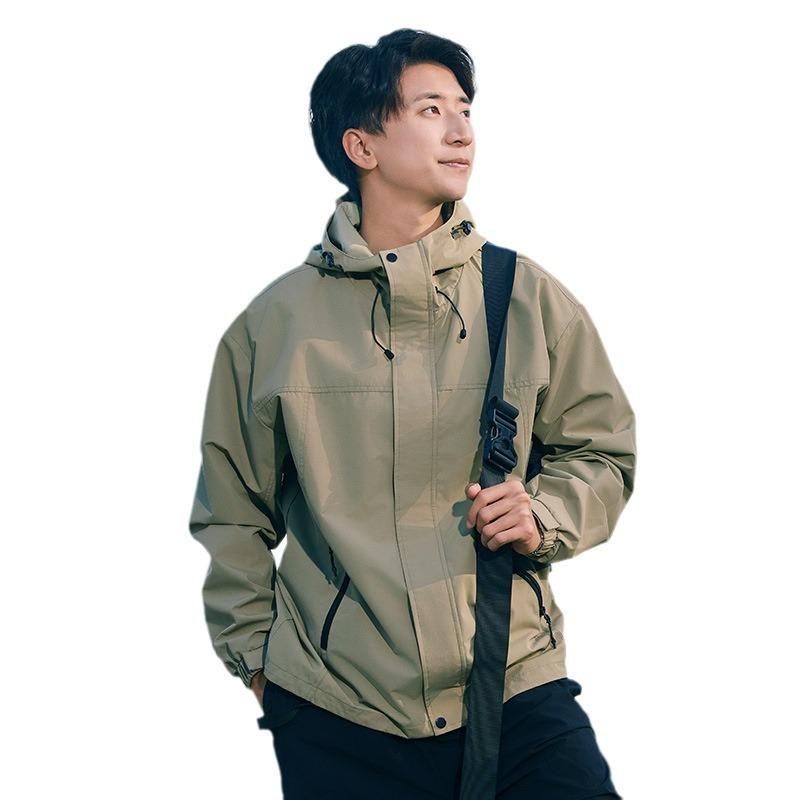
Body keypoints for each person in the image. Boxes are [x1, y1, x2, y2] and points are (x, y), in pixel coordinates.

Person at [188, 27, 636, 799]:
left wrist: (544, 513)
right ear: (361, 145)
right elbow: (232, 513)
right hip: (340, 715)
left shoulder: (527, 296)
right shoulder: (272, 327)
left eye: (465, 109)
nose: (461, 130)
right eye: (431, 109)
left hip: (514, 686)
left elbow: (603, 453)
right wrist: (262, 668)